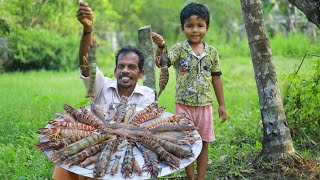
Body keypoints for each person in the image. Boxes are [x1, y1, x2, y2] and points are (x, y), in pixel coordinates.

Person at [52, 2, 155, 179]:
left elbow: (142, 131)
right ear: (115, 71)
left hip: (127, 152)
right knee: (69, 156)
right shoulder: (101, 86)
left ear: (140, 73)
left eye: (132, 67)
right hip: (94, 148)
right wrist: (87, 30)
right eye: (121, 66)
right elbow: (86, 66)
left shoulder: (147, 94)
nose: (125, 70)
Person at [152, 2, 227, 180]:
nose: (195, 30)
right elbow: (162, 64)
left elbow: (217, 78)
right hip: (183, 106)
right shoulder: (179, 49)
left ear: (207, 27)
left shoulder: (212, 53)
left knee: (204, 143)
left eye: (200, 26)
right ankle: (190, 177)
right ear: (182, 28)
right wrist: (161, 47)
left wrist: (222, 104)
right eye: (190, 26)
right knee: (187, 143)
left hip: (205, 106)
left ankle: (200, 178)